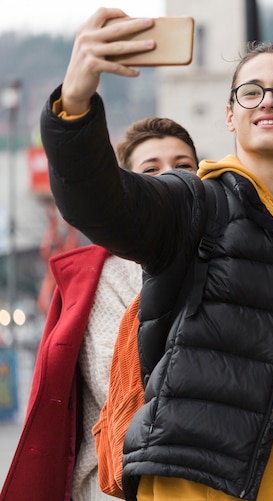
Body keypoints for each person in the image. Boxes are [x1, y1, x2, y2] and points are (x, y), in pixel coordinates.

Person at [39, 8, 273, 501]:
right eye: (250, 92)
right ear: (230, 115)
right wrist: (75, 101)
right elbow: (102, 204)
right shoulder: (195, 204)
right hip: (198, 485)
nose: (269, 101)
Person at [0, 116, 199, 501]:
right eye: (151, 169)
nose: (170, 177)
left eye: (183, 166)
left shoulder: (226, 259)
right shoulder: (105, 277)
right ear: (128, 187)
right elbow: (121, 387)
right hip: (115, 485)